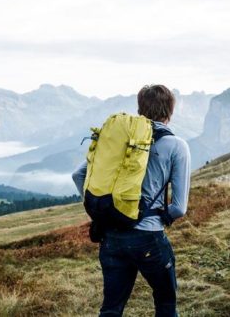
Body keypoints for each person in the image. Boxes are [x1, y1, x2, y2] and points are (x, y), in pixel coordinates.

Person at [72, 84, 191, 317]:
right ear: (170, 111)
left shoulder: (118, 139)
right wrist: (161, 217)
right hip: (148, 237)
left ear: (140, 109)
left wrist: (103, 211)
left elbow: (78, 175)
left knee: (111, 308)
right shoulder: (176, 145)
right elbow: (179, 207)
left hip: (111, 235)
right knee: (166, 303)